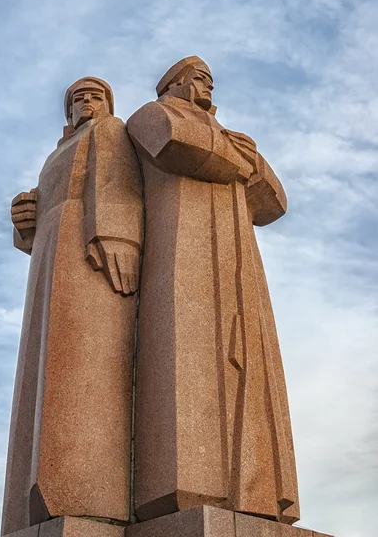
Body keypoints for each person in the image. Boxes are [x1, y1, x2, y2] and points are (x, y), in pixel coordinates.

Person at [127, 57, 300, 525]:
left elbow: (274, 204)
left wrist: (250, 159)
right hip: (182, 249)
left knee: (247, 360)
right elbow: (175, 145)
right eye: (199, 78)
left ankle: (255, 493)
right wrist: (240, 157)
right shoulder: (152, 114)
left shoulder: (233, 138)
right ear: (175, 85)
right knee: (192, 354)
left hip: (239, 258)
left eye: (209, 80)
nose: (207, 86)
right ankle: (188, 483)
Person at [1, 77, 143, 535]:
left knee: (82, 359)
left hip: (89, 247)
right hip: (50, 257)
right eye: (78, 97)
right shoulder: (54, 156)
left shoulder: (110, 131)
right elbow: (40, 219)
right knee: (45, 367)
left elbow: (117, 182)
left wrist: (117, 235)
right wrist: (27, 221)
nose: (86, 101)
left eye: (95, 95)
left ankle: (82, 487)